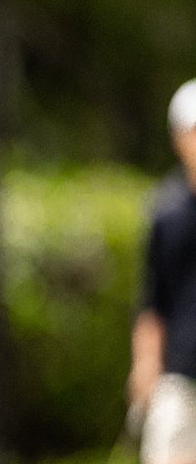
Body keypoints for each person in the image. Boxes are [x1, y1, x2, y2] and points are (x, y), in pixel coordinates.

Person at [128, 78, 196, 464]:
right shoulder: (167, 212)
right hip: (180, 377)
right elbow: (154, 298)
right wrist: (144, 365)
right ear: (178, 138)